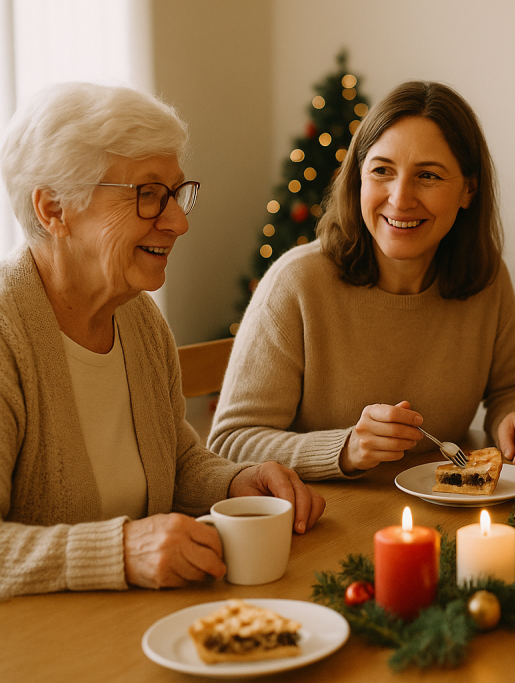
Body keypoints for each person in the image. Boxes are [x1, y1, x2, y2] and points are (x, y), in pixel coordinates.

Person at [0, 83, 324, 601]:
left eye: (176, 193)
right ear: (54, 209)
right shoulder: (6, 333)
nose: (179, 221)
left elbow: (172, 459)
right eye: (148, 195)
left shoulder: (139, 319)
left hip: (139, 623)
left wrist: (235, 482)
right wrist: (122, 550)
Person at [209, 81, 515, 479]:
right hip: (321, 524)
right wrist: (346, 448)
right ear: (358, 178)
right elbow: (230, 442)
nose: (400, 198)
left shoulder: (484, 276)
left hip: (443, 514)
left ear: (469, 191)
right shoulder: (297, 283)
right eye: (382, 171)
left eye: (428, 175)